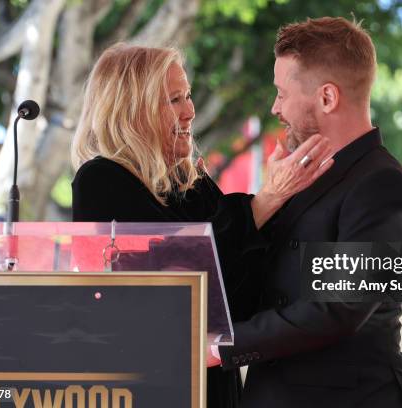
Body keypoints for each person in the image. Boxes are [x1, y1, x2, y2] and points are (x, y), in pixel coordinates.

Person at [70, 43, 333, 408]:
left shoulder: (191, 181)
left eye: (188, 96)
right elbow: (178, 272)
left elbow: (234, 289)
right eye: (173, 100)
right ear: (132, 110)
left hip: (214, 381)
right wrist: (267, 199)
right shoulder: (100, 178)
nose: (189, 112)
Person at [213, 17, 402, 408]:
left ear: (327, 97)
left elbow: (336, 308)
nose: (274, 107)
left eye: (281, 93)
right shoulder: (299, 172)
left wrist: (221, 344)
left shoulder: (381, 184)